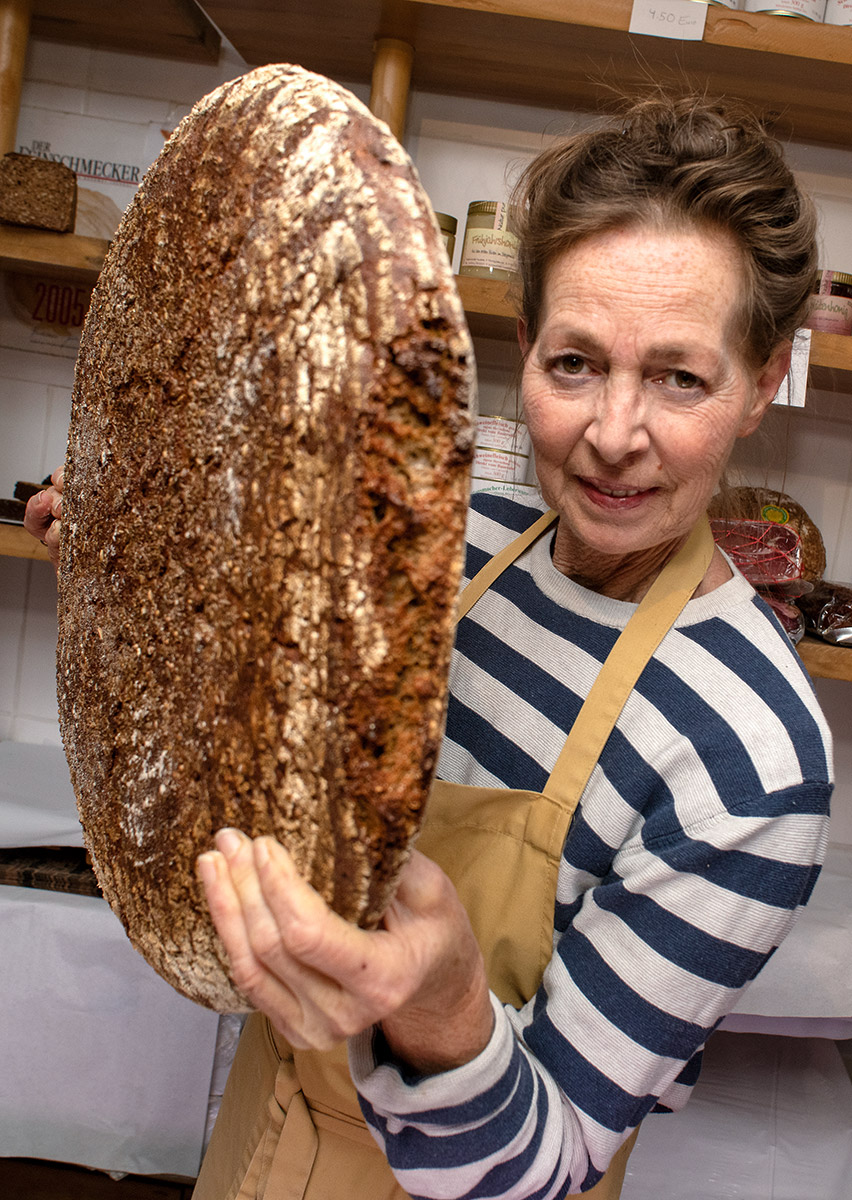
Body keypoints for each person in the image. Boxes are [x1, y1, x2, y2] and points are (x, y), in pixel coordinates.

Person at [27, 93, 833, 1199]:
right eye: (576, 364)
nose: (614, 434)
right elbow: (251, 688)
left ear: (763, 382)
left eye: (681, 378)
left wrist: (444, 1004)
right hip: (258, 1145)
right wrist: (138, 563)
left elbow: (551, 1162)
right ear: (521, 345)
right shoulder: (443, 544)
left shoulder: (756, 754)